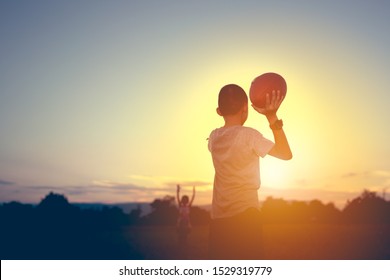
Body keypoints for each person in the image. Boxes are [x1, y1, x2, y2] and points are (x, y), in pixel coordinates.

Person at [207, 84, 292, 259]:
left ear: (219, 111)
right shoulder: (250, 136)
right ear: (246, 108)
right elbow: (285, 154)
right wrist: (272, 116)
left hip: (218, 222)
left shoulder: (214, 138)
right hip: (246, 218)